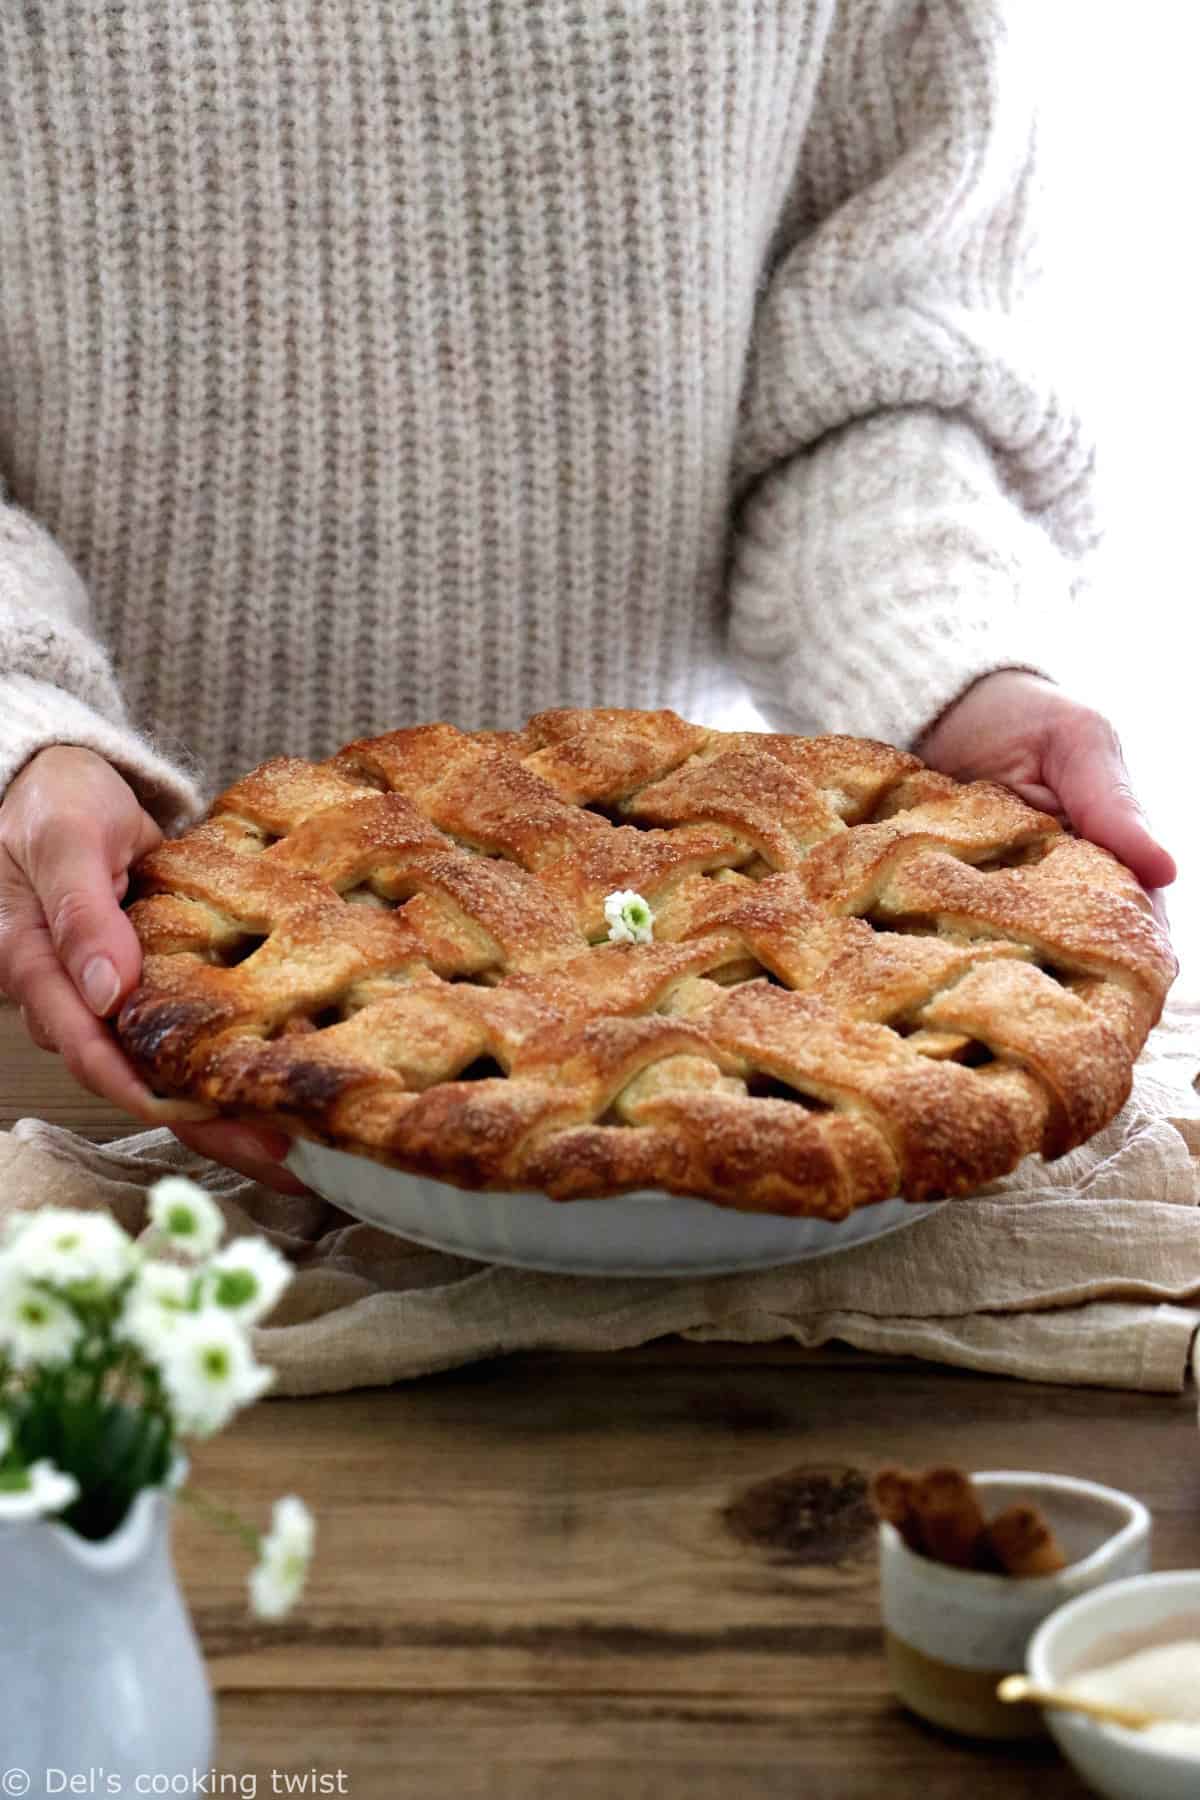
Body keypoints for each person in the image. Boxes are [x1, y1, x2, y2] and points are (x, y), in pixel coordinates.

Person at [0, 1, 1176, 1201]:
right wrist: (24, 725)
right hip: (66, 957)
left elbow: (878, 367)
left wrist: (957, 659)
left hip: (731, 995)